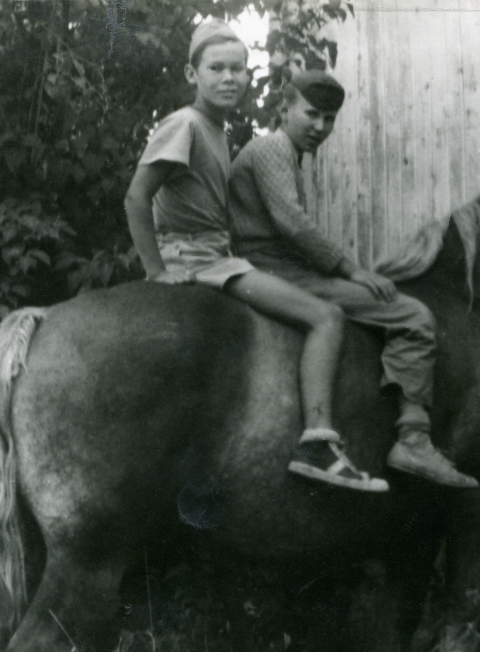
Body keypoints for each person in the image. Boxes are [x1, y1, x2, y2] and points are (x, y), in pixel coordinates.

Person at [124, 22, 388, 493]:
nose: (230, 78)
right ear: (192, 73)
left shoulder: (215, 130)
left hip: (215, 253)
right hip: (199, 259)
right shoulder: (183, 124)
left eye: (238, 69)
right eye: (216, 69)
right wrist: (157, 271)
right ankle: (317, 444)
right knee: (326, 316)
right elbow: (136, 197)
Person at [228, 70, 479, 489]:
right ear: (283, 109)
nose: (320, 127)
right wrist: (352, 270)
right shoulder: (272, 149)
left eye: (329, 119)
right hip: (280, 273)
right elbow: (292, 224)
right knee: (414, 316)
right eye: (311, 114)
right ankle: (413, 439)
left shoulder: (284, 154)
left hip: (276, 268)